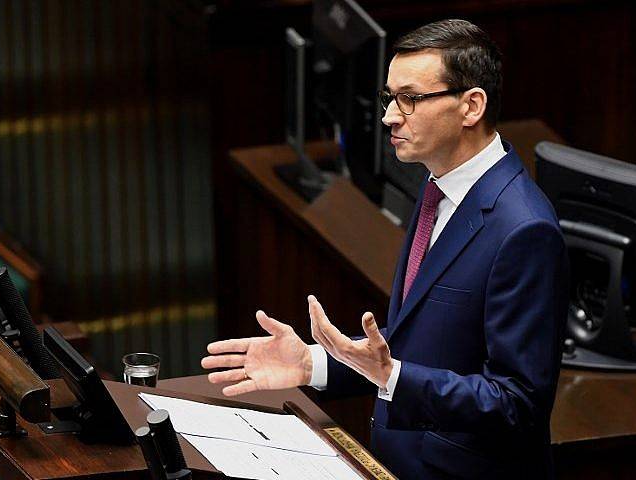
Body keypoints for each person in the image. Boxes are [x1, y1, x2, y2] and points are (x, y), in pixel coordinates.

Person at [202, 19, 569, 479]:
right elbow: (423, 343)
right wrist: (314, 362)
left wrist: (391, 377)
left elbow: (517, 404)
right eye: (389, 98)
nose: (389, 117)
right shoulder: (438, 188)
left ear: (472, 106)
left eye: (410, 99)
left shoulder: (524, 230)